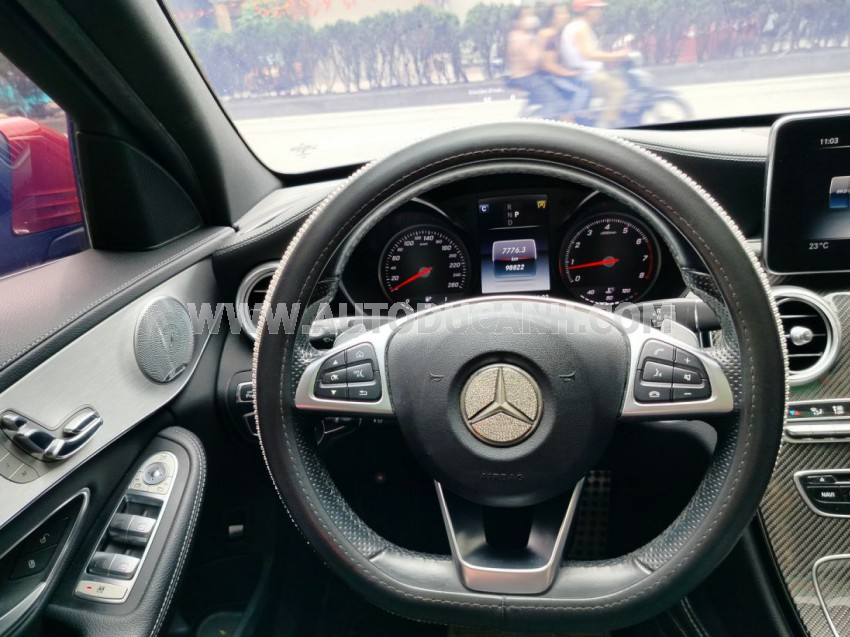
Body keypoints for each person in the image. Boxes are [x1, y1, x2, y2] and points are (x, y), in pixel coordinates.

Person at [560, 0, 631, 127]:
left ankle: (606, 117)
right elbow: (588, 54)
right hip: (588, 76)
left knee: (617, 80)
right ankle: (605, 126)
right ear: (587, 10)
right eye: (597, 9)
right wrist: (617, 55)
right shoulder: (581, 27)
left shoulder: (577, 26)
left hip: (586, 74)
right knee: (618, 88)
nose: (600, 12)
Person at [505, 7, 571, 121]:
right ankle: (535, 121)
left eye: (531, 15)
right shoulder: (521, 38)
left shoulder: (517, 36)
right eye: (526, 16)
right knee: (557, 103)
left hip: (525, 76)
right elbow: (534, 60)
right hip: (527, 77)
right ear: (516, 22)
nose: (530, 19)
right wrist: (543, 45)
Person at [537, 4, 590, 118]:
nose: (565, 16)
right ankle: (568, 120)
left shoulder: (555, 34)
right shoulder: (550, 35)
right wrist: (570, 73)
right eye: (561, 13)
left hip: (551, 75)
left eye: (566, 13)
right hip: (549, 77)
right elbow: (548, 65)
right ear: (552, 18)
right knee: (583, 89)